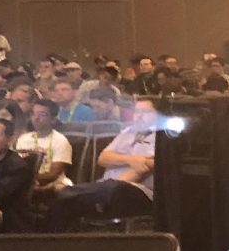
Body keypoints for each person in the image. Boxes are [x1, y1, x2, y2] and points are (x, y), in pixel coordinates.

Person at [47, 98, 158, 231]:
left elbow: (140, 170)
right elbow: (103, 158)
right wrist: (130, 159)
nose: (138, 116)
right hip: (104, 187)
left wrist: (107, 187)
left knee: (116, 188)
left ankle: (65, 191)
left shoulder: (162, 138)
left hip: (137, 191)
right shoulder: (128, 132)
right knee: (62, 204)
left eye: (145, 112)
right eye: (137, 112)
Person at [15, 99, 73, 196]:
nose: (36, 118)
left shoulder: (60, 141)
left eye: (42, 115)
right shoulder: (23, 139)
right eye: (33, 114)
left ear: (53, 119)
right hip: (27, 182)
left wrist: (25, 179)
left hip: (53, 184)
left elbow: (53, 174)